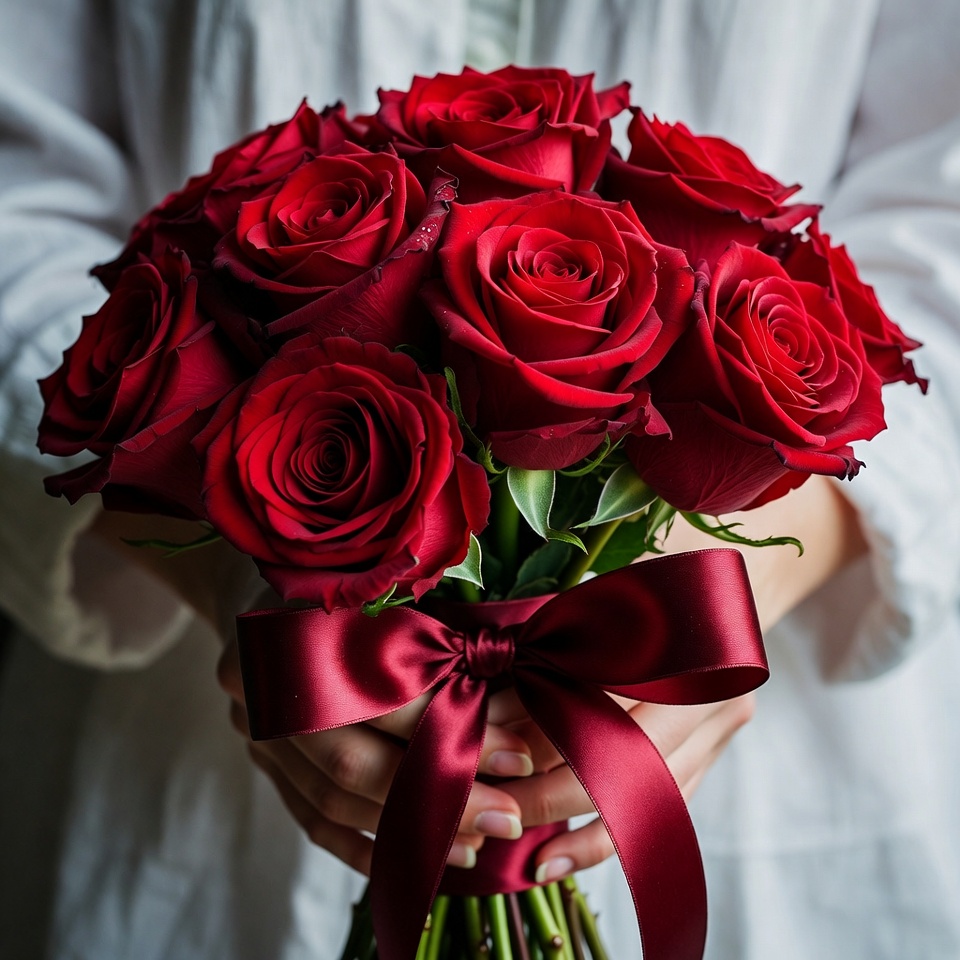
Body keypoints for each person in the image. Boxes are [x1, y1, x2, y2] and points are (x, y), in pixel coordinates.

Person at [2, 1, 959, 958]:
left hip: (804, 807)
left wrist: (712, 596)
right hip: (175, 787)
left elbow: (942, 217)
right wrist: (239, 558)